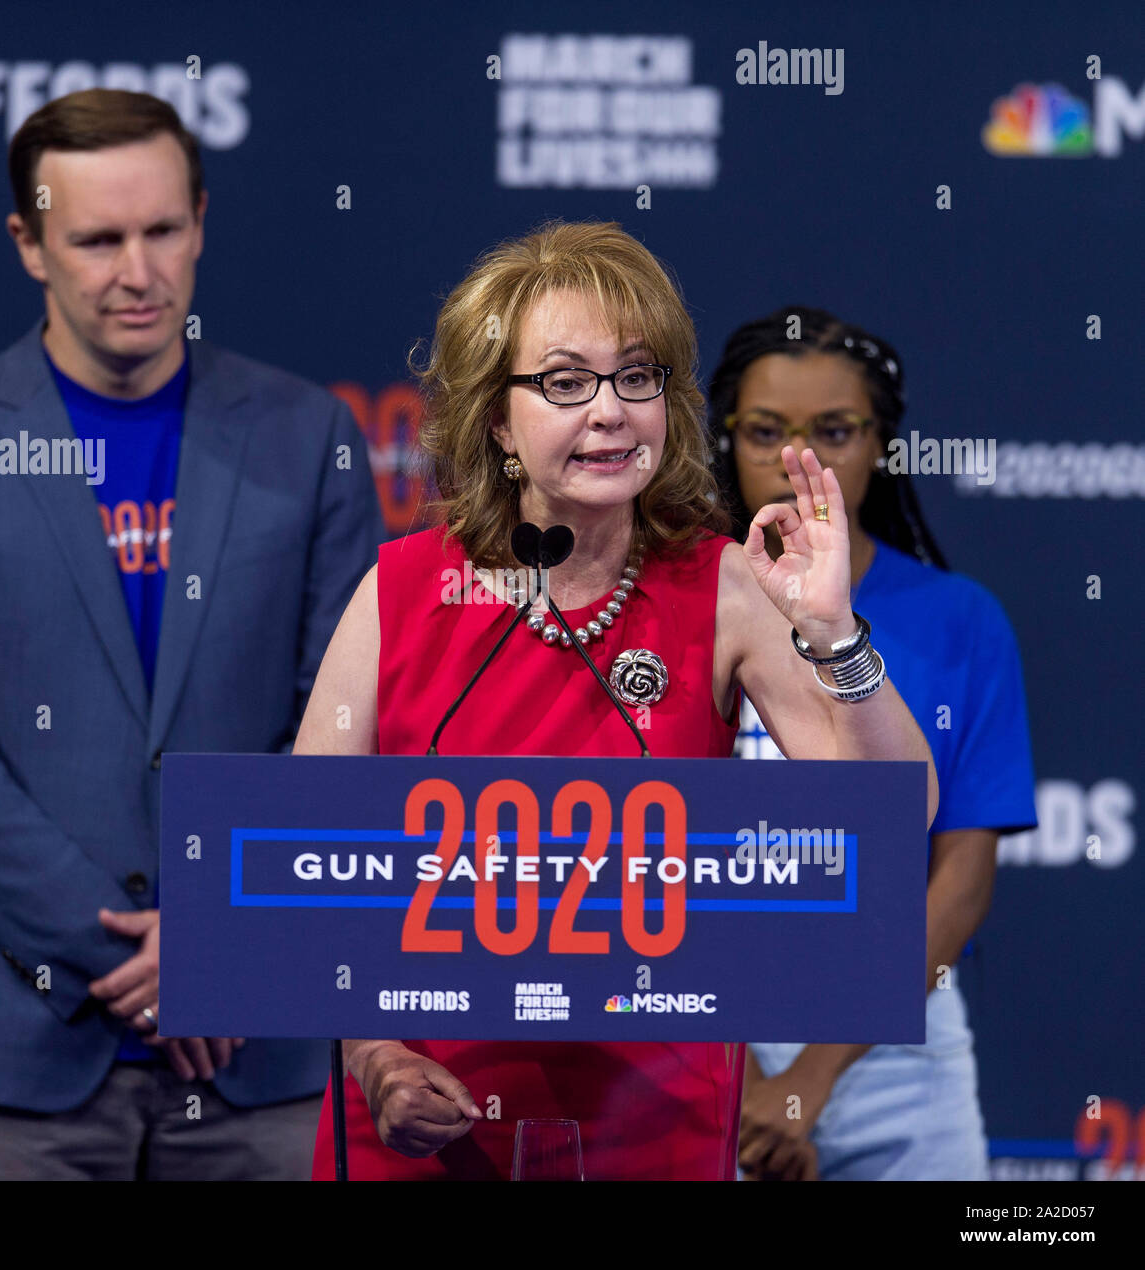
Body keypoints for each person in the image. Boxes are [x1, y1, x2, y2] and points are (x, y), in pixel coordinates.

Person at [292, 222, 939, 1181]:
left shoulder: (721, 586)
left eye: (637, 377)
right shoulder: (401, 589)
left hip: (655, 1118)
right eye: (564, 382)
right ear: (498, 423)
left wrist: (834, 634)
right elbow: (302, 867)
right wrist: (373, 1054)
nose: (609, 412)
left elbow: (896, 813)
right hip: (429, 1111)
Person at [0, 88, 384, 1180]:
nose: (136, 272)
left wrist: (225, 928)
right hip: (17, 1037)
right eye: (96, 239)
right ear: (30, 243)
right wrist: (138, 951)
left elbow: (345, 713)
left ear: (201, 219)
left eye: (160, 231)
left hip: (261, 1041)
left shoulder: (308, 434)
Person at [707, 305, 1037, 1181]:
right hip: (698, 1030)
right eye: (765, 430)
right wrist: (748, 1082)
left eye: (834, 431)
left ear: (881, 442)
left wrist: (810, 1079)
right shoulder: (675, 608)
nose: (795, 459)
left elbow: (960, 878)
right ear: (724, 437)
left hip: (899, 1044)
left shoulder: (959, 620)